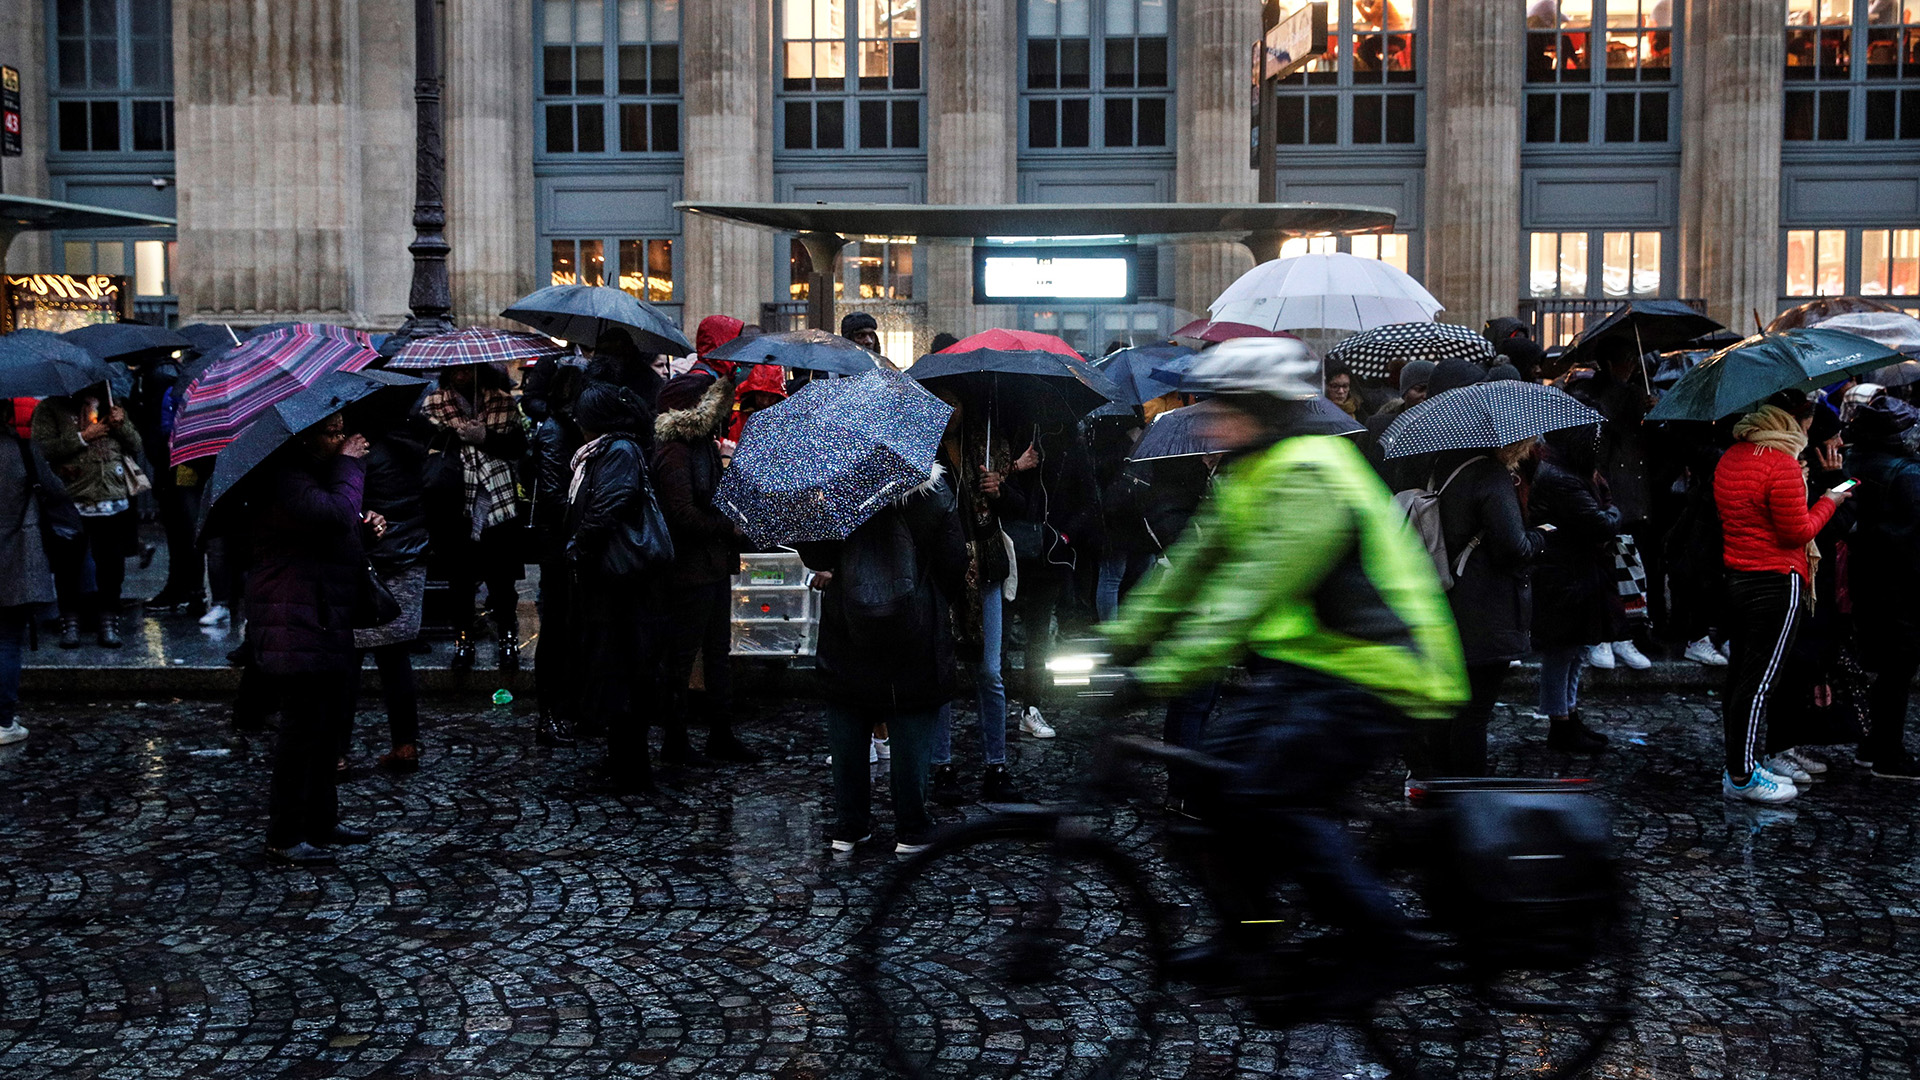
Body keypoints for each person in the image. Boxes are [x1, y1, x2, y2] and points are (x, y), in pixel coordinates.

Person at [1103, 337, 1467, 1006]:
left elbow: (1248, 596)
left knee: (1269, 795)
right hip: (1313, 666)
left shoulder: (1308, 473)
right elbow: (1193, 564)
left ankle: (1386, 942)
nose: (1210, 419)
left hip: (1380, 668)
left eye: (1225, 407)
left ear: (1263, 409)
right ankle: (1251, 926)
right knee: (1208, 779)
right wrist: (1119, 642)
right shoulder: (1251, 469)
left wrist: (1154, 677)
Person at [797, 434, 968, 854]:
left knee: (848, 717)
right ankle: (912, 827)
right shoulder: (932, 493)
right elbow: (955, 565)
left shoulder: (838, 488)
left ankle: (849, 825)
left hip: (849, 621)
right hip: (915, 625)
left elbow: (816, 559)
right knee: (910, 717)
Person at [248, 412, 380, 867]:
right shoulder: (284, 476)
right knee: (300, 732)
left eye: (345, 427)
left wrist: (364, 530)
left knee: (325, 729)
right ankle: (285, 834)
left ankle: (322, 820)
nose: (344, 436)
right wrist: (350, 465)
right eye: (333, 431)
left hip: (320, 617)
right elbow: (328, 515)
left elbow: (332, 532)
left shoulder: (309, 474)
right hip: (295, 620)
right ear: (305, 437)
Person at [1714, 391, 1848, 804]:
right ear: (1798, 421)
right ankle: (1743, 774)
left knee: (1740, 676)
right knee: (1759, 681)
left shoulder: (1733, 455)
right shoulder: (1782, 464)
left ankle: (1741, 763)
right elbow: (1798, 531)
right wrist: (1830, 499)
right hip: (1777, 578)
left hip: (1739, 574)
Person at [1408, 440, 1546, 778]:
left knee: (1449, 708)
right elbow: (1515, 547)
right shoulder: (1490, 474)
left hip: (1448, 601)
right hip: (1486, 609)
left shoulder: (1441, 462)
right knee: (1474, 713)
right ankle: (1469, 797)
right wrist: (1542, 536)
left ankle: (1438, 785)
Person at [565, 382, 670, 794]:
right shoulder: (605, 451)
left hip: (625, 582)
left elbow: (612, 502)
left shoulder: (617, 452)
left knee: (626, 670)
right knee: (616, 670)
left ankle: (632, 765)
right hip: (613, 581)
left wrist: (579, 544)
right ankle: (621, 757)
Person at [926, 391, 1029, 806]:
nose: (950, 410)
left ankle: (996, 765)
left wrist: (999, 489)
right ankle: (942, 765)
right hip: (940, 572)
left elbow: (1025, 507)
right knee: (944, 671)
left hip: (984, 570)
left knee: (990, 672)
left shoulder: (990, 445)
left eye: (957, 401)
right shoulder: (919, 448)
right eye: (942, 401)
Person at [652, 371, 758, 763]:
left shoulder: (704, 448)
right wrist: (726, 526)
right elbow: (680, 513)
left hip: (711, 566)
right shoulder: (675, 452)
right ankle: (676, 741)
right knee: (682, 656)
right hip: (688, 570)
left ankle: (720, 733)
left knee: (717, 653)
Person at [419, 363, 527, 671]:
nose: (460, 375)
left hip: (497, 502)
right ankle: (463, 642)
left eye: (466, 370)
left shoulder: (503, 402)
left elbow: (518, 448)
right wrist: (453, 436)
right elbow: (427, 451)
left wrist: (484, 437)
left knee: (502, 580)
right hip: (454, 505)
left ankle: (508, 641)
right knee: (459, 581)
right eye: (454, 370)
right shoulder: (434, 405)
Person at [1841, 394, 1920, 780]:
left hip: (1865, 574)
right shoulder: (1907, 473)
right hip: (1901, 582)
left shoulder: (1852, 460)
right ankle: (1886, 752)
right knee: (1898, 668)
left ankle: (1872, 745)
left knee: (1887, 666)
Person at [1529, 425, 1619, 754]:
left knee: (1575, 651)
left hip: (1574, 574)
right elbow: (1602, 522)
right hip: (1564, 577)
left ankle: (1569, 714)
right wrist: (1612, 508)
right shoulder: (1561, 478)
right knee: (1562, 652)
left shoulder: (1570, 472)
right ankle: (1560, 724)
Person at [32, 388, 142, 648]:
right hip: (71, 499)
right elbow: (42, 449)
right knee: (67, 565)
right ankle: (70, 622)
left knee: (111, 565)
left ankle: (109, 620)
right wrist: (83, 438)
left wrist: (121, 424)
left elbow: (136, 444)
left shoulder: (112, 404)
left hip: (112, 498)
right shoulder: (50, 408)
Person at [352, 420, 431, 774]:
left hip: (368, 563)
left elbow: (348, 503)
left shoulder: (361, 452)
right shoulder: (416, 439)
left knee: (346, 664)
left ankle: (336, 752)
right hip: (410, 554)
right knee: (396, 660)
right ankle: (405, 744)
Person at [530, 364, 587, 747]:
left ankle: (568, 708)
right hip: (560, 547)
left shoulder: (568, 429)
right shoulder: (556, 432)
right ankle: (551, 713)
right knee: (557, 629)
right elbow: (554, 496)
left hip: (568, 543)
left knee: (570, 628)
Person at [0, 424, 66, 747]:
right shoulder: (23, 449)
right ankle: (2, 722)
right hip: (16, 557)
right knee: (8, 639)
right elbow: (56, 491)